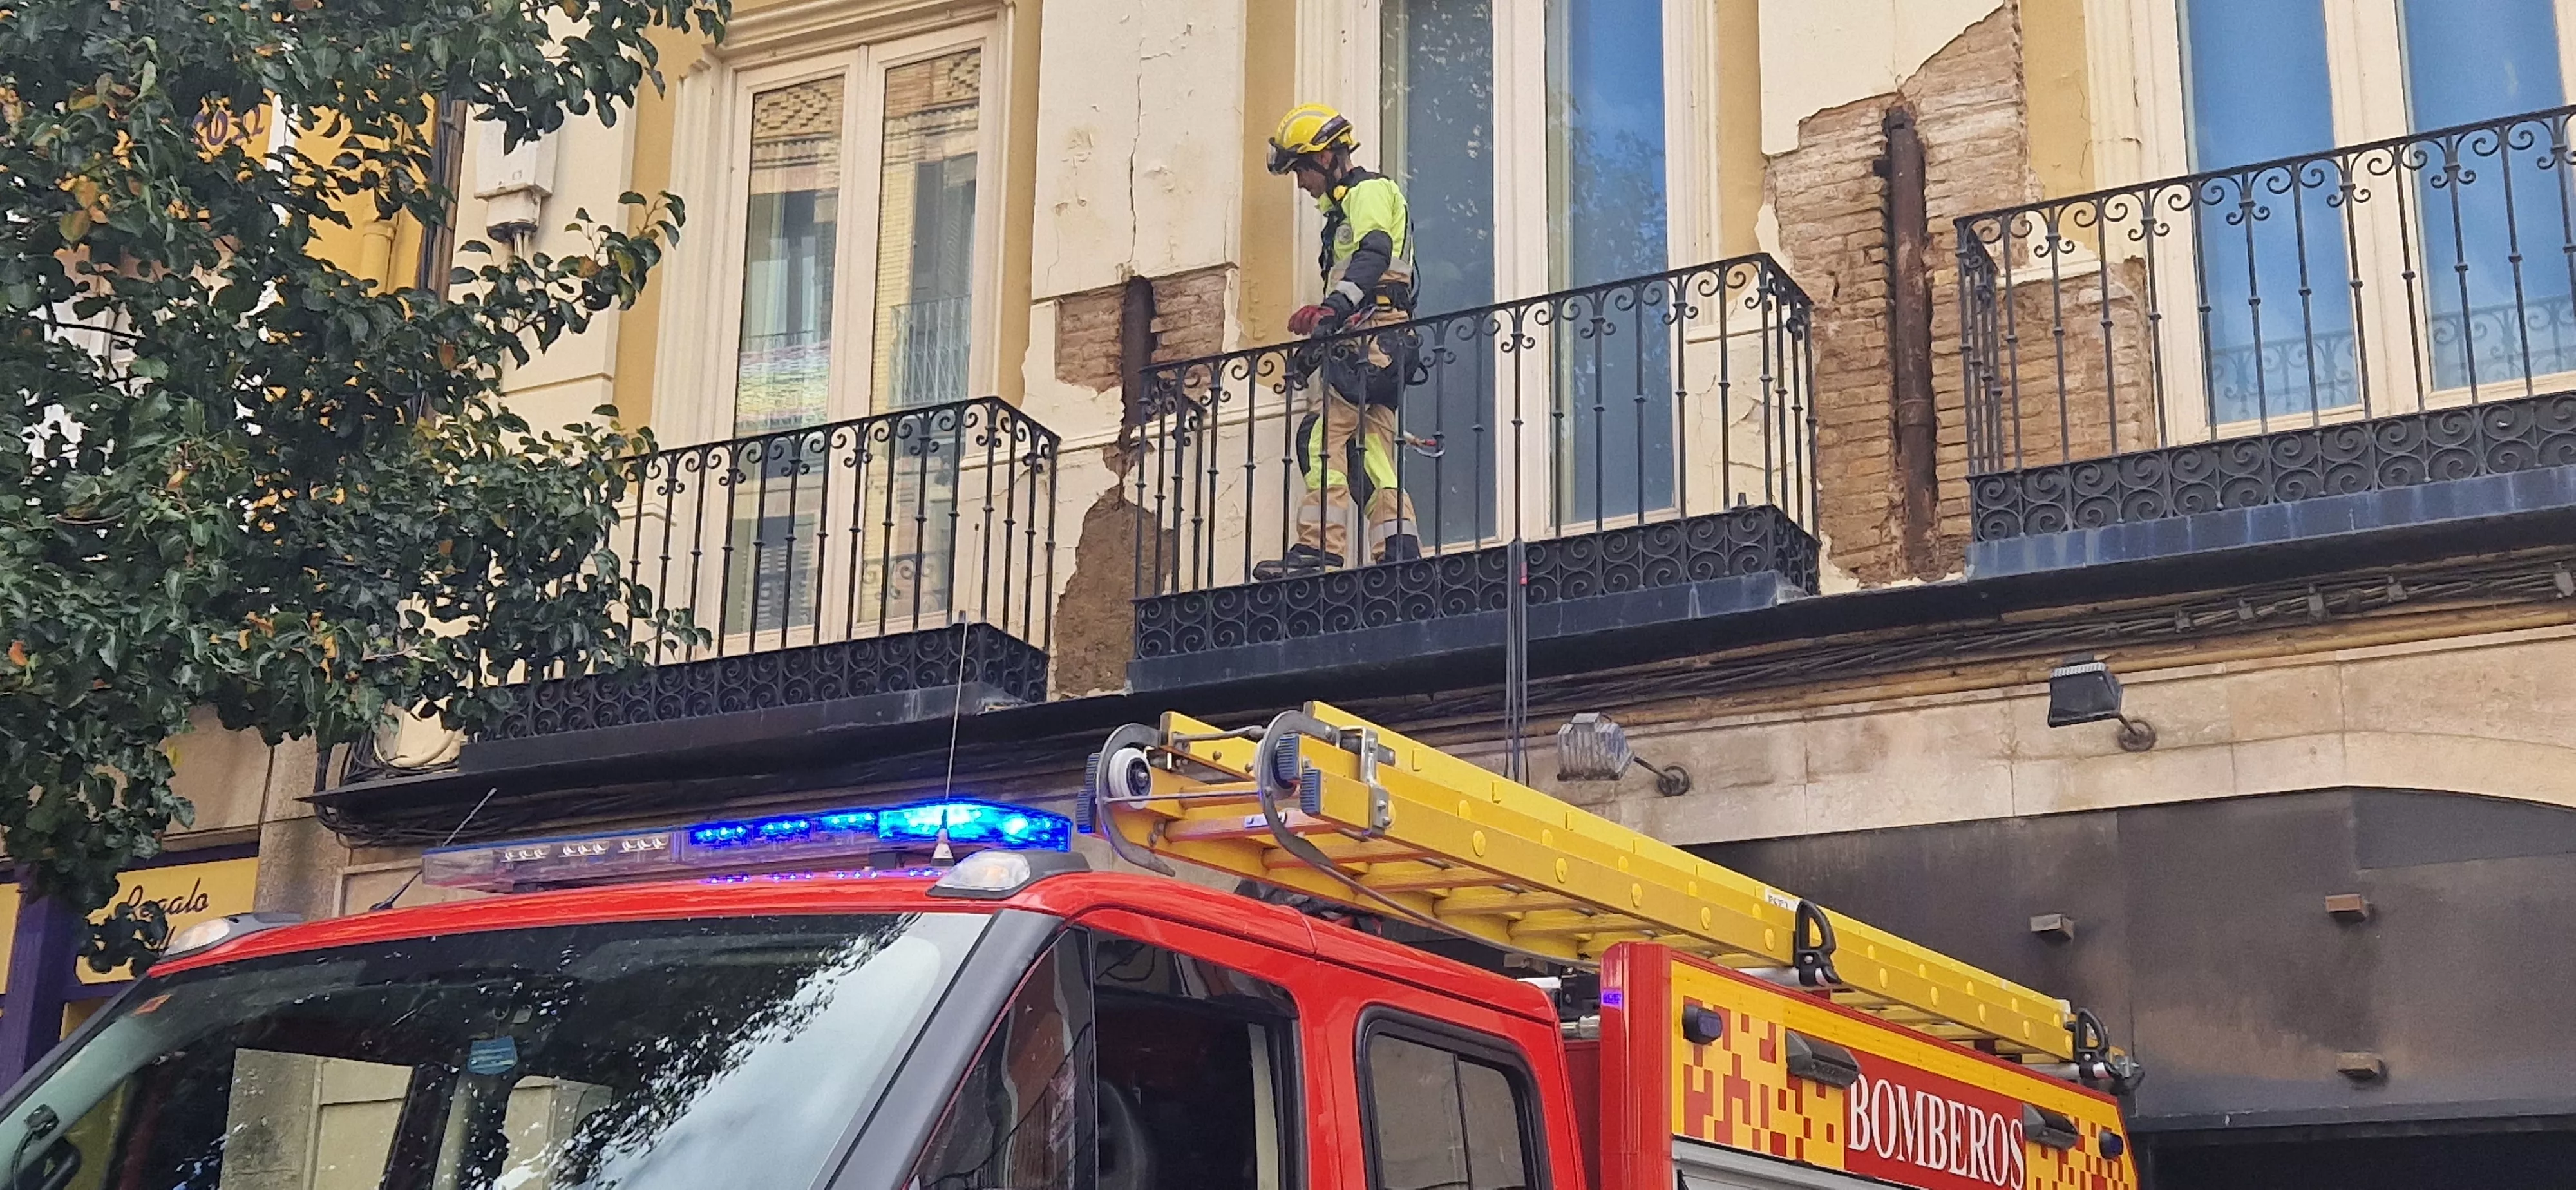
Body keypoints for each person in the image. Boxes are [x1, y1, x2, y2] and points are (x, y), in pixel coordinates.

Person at [1252, 102, 1423, 581]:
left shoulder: (1368, 192)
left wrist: (1333, 309)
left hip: (1374, 340)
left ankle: (1318, 551)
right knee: (1370, 453)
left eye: (1301, 170)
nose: (1301, 184)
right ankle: (1398, 547)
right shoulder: (1343, 211)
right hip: (1382, 343)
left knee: (1317, 440)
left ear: (1326, 159)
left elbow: (1374, 255)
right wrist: (1313, 349)